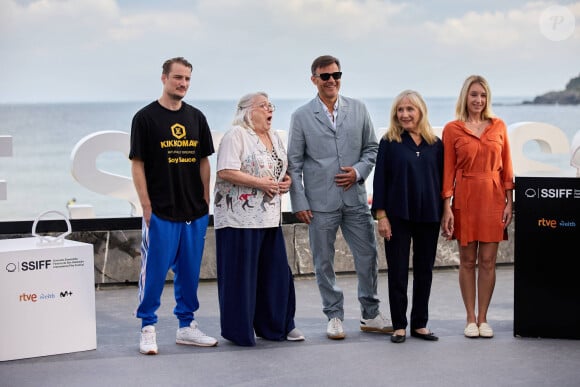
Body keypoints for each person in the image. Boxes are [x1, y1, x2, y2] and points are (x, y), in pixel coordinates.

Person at [287, 55, 392, 340]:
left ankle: (370, 313)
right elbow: (294, 164)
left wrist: (358, 173)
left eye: (336, 75)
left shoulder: (359, 109)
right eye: (325, 76)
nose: (332, 80)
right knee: (323, 261)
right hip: (319, 205)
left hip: (355, 199)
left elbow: (372, 148)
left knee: (368, 256)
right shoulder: (301, 116)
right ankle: (333, 315)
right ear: (314, 80)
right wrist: (300, 203)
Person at [129, 57, 218, 355]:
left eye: (187, 79)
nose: (183, 83)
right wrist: (145, 204)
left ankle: (186, 327)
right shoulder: (145, 118)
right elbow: (137, 163)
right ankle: (147, 327)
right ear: (164, 78)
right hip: (161, 209)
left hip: (193, 209)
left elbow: (204, 160)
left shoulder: (196, 117)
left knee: (190, 272)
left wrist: (205, 198)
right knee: (154, 271)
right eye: (178, 77)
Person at [213, 92, 304, 346]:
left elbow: (279, 168)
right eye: (263, 106)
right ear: (246, 111)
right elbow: (225, 170)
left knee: (277, 274)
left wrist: (285, 180)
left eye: (270, 105)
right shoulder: (237, 135)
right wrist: (259, 183)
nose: (269, 110)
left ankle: (279, 325)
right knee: (241, 277)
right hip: (238, 220)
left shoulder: (274, 137)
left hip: (269, 217)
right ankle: (239, 331)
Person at [440, 75, 514, 339]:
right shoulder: (452, 129)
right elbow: (447, 171)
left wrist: (510, 203)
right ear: (465, 97)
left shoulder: (499, 126)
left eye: (482, 95)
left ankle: (484, 318)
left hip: (494, 198)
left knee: (488, 261)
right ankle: (470, 318)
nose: (478, 100)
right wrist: (446, 207)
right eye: (473, 94)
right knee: (467, 261)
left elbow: (507, 167)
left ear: (487, 98)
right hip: (466, 198)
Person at [372, 90, 443, 344]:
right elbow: (379, 181)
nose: (404, 114)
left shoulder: (436, 144)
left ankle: (420, 324)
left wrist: (447, 213)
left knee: (425, 271)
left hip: (430, 217)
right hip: (397, 216)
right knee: (398, 272)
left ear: (420, 111)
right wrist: (382, 216)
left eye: (410, 109)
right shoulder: (389, 143)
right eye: (400, 110)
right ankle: (400, 325)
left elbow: (443, 182)